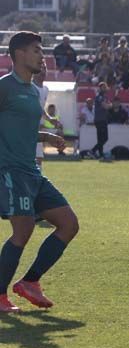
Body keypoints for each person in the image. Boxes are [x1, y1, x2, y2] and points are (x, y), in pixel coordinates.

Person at [0, 32, 78, 314]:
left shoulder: (34, 91)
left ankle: (30, 281)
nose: (41, 56)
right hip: (10, 170)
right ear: (19, 54)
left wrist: (45, 136)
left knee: (69, 224)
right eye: (36, 50)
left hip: (32, 171)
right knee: (23, 229)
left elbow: (21, 128)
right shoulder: (4, 87)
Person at [91, 82, 111, 159]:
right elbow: (106, 106)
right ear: (100, 89)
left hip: (103, 119)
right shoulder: (99, 97)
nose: (105, 89)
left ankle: (100, 154)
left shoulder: (104, 97)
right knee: (104, 138)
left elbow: (107, 105)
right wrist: (110, 105)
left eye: (105, 87)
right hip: (100, 120)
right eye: (103, 87)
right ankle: (93, 151)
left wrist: (108, 105)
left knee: (101, 139)